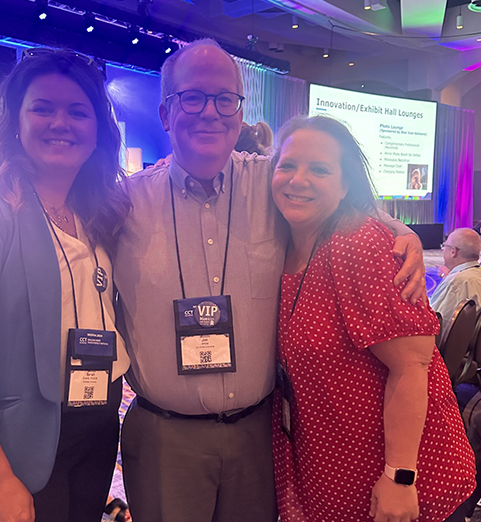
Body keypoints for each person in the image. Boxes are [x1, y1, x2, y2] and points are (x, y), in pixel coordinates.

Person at [114, 38, 426, 522]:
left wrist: (394, 227)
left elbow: (335, 192)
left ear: (240, 112)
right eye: (193, 98)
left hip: (259, 436)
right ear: (165, 112)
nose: (210, 113)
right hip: (164, 439)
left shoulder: (275, 183)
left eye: (226, 100)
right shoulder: (124, 205)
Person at [0, 48, 130, 522]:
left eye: (79, 111)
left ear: (98, 128)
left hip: (93, 423)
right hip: (15, 441)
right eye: (43, 108)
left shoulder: (96, 209)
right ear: (15, 120)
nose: (62, 122)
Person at [271, 115, 475, 522]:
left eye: (320, 169)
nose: (299, 179)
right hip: (336, 471)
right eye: (287, 165)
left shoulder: (357, 242)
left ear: (346, 186)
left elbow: (412, 365)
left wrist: (399, 478)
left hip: (402, 485)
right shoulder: (281, 245)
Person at [430, 228, 481, 326]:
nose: (443, 250)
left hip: (456, 340)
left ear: (453, 251)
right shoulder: (474, 275)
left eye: (444, 246)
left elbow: (435, 322)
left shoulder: (457, 282)